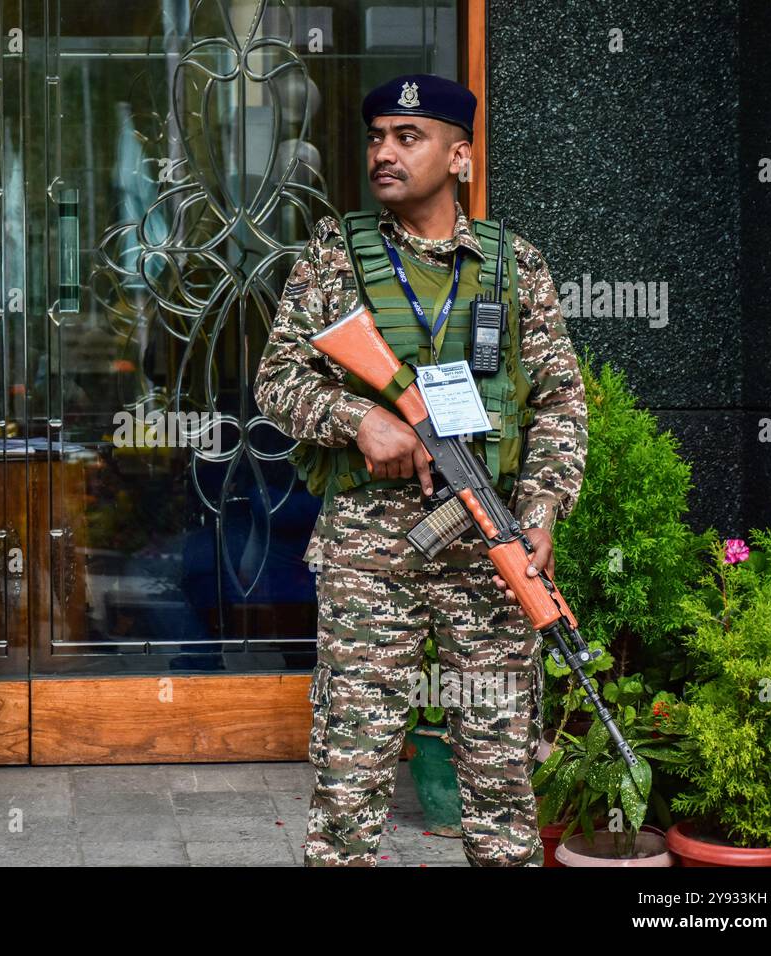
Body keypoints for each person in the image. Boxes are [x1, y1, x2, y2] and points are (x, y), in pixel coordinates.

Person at [253, 73, 587, 867]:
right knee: (352, 766)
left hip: (488, 544)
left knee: (503, 772)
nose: (385, 152)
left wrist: (539, 514)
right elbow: (276, 382)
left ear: (460, 156)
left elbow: (561, 406)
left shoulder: (516, 267)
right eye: (376, 136)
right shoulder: (334, 257)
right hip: (370, 551)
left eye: (409, 136)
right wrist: (359, 419)